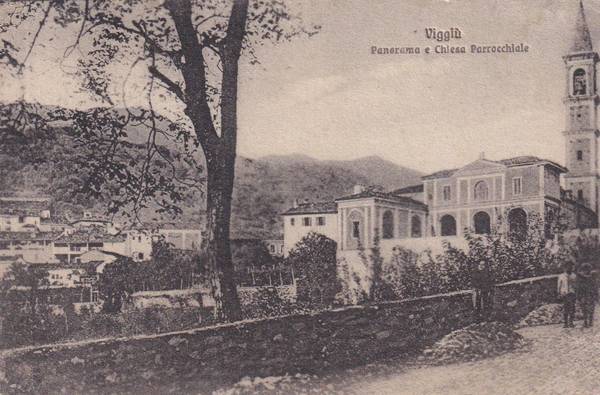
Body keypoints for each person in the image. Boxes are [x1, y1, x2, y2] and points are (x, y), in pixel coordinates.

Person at [577, 262, 598, 328]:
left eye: (587, 269)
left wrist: (596, 295)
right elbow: (579, 287)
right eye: (585, 269)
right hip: (584, 295)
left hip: (590, 295)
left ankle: (589, 321)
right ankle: (586, 321)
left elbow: (595, 287)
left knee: (590, 309)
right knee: (585, 309)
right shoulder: (582, 278)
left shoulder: (592, 278)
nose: (586, 270)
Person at [558, 262, 577, 328]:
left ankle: (571, 322)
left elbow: (576, 285)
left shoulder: (574, 276)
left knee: (572, 308)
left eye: (571, 267)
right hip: (565, 294)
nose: (570, 268)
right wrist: (559, 293)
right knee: (566, 309)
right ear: (565, 267)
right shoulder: (561, 276)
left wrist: (576, 292)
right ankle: (565, 323)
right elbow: (559, 285)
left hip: (572, 293)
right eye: (568, 267)